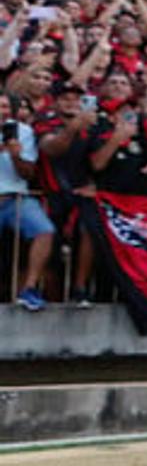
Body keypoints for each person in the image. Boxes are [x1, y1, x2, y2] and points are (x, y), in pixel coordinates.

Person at [0, 92, 55, 309]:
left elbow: (28, 174)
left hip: (17, 198)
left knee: (44, 230)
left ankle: (29, 289)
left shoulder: (23, 132)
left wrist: (15, 155)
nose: (2, 111)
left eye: (5, 107)